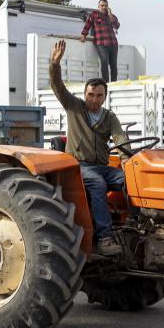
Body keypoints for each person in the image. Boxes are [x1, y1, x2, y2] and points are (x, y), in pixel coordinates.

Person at [49, 39, 127, 255]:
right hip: (79, 165)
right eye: (91, 94)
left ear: (105, 96)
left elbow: (119, 137)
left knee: (131, 181)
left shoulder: (109, 117)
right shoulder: (74, 107)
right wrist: (55, 65)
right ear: (85, 94)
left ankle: (136, 227)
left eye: (99, 95)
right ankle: (104, 237)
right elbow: (58, 86)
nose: (94, 99)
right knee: (98, 184)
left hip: (102, 166)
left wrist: (129, 160)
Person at [79, 0, 120, 82]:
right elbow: (88, 25)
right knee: (104, 62)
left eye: (105, 5)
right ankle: (106, 82)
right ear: (98, 7)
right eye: (102, 5)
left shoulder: (111, 16)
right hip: (101, 43)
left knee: (114, 65)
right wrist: (84, 35)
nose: (104, 7)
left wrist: (110, 14)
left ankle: (114, 83)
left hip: (113, 43)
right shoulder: (94, 14)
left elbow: (117, 26)